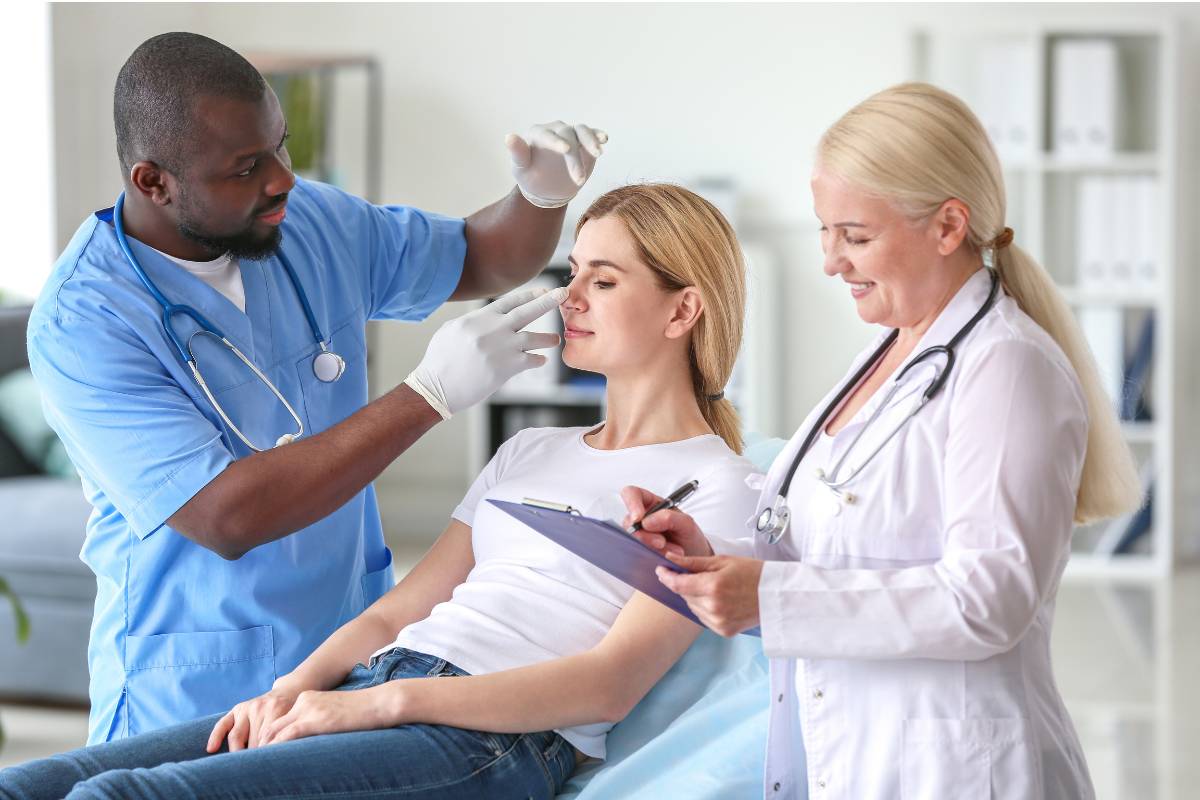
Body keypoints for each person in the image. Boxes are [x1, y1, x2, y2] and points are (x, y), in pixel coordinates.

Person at [1, 183, 761, 800]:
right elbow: (401, 610)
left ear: (682, 309)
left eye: (604, 280)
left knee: (122, 797)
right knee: (34, 786)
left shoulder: (717, 487)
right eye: (574, 273)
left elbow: (607, 686)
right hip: (383, 679)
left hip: (490, 740)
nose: (570, 298)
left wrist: (376, 706)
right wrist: (295, 689)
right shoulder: (530, 448)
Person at [26, 31, 608, 744]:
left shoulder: (308, 223)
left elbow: (482, 257)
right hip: (191, 687)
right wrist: (427, 396)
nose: (282, 180)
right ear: (154, 182)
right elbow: (226, 516)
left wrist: (539, 196)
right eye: (246, 167)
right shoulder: (85, 321)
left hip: (343, 659)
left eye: (281, 146)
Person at [621, 83, 1142, 799]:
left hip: (956, 771)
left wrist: (772, 598)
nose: (831, 261)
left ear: (949, 225)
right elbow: (848, 545)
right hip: (856, 752)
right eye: (824, 231)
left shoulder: (1007, 368)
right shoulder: (894, 352)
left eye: (856, 236)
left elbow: (988, 600)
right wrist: (713, 557)